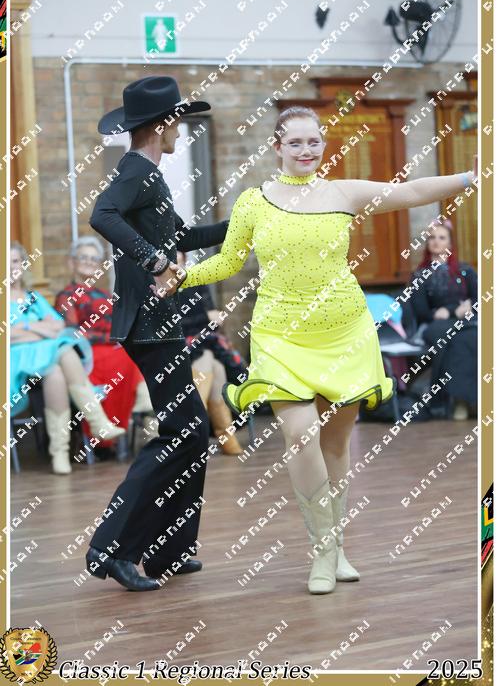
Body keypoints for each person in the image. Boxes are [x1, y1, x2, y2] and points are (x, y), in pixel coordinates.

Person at [155, 105, 477, 595]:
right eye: (296, 142)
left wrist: (471, 177)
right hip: (280, 334)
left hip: (344, 331)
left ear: (323, 145)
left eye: (314, 142)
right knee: (301, 433)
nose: (306, 150)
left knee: (336, 445)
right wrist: (184, 277)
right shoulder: (254, 201)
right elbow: (228, 262)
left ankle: (338, 546)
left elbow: (410, 191)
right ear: (277, 147)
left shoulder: (342, 192)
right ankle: (322, 550)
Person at [85, 75, 229, 591]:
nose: (179, 131)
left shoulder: (148, 175)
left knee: (192, 432)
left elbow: (183, 236)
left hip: (157, 324)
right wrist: (155, 261)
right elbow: (101, 215)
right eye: (177, 123)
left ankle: (169, 549)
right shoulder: (136, 171)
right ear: (162, 125)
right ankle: (114, 549)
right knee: (182, 432)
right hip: (149, 325)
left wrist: (247, 224)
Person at [9, 242, 125, 475]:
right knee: (64, 349)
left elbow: (59, 327)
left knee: (56, 372)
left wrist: (25, 330)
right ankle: (97, 421)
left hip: (45, 357)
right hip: (15, 360)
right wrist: (37, 328)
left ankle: (60, 452)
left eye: (16, 261)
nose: (12, 267)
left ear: (23, 265)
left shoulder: (34, 297)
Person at [54, 236, 157, 458]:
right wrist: (112, 338)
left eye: (94, 259)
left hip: (115, 350)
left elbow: (121, 325)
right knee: (127, 357)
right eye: (83, 257)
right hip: (87, 356)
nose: (89, 262)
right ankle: (144, 410)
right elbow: (72, 334)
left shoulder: (106, 295)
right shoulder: (66, 295)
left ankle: (148, 415)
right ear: (72, 262)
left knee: (139, 354)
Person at [175, 251, 243, 455]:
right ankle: (222, 437)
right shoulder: (160, 286)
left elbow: (214, 321)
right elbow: (174, 326)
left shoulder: (196, 282)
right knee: (209, 362)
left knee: (216, 366)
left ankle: (198, 432)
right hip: (176, 349)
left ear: (184, 257)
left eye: (178, 252)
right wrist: (205, 318)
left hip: (204, 344)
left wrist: (208, 319)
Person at [410, 219, 478, 420]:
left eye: (442, 237)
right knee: (450, 337)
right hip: (434, 325)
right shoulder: (419, 275)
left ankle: (464, 400)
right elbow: (421, 311)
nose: (436, 241)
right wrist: (449, 312)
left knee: (468, 338)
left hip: (465, 322)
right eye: (432, 237)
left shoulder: (465, 271)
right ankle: (453, 401)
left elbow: (479, 299)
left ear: (450, 243)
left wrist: (469, 306)